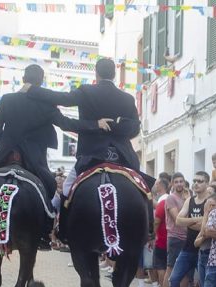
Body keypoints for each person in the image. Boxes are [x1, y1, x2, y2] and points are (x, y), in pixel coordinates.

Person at [0, 65, 110, 249]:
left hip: (5, 152)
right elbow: (66, 124)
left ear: (23, 77)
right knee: (50, 187)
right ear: (41, 81)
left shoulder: (8, 99)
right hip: (34, 159)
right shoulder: (46, 104)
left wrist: (6, 144)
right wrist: (95, 124)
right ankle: (44, 231)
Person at [27, 58, 155, 242]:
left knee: (68, 188)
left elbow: (60, 98)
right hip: (123, 156)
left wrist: (32, 90)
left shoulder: (86, 91)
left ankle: (63, 231)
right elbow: (135, 128)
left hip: (91, 155)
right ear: (114, 74)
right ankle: (149, 229)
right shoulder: (127, 98)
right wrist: (116, 126)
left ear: (96, 73)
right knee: (143, 186)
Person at [151, 171, 210, 287]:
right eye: (195, 180)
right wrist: (201, 220)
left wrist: (190, 222)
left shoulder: (210, 202)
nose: (197, 183)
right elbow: (178, 220)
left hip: (203, 248)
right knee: (174, 278)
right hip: (187, 247)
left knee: (204, 285)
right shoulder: (189, 200)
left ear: (207, 183)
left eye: (201, 181)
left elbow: (208, 226)